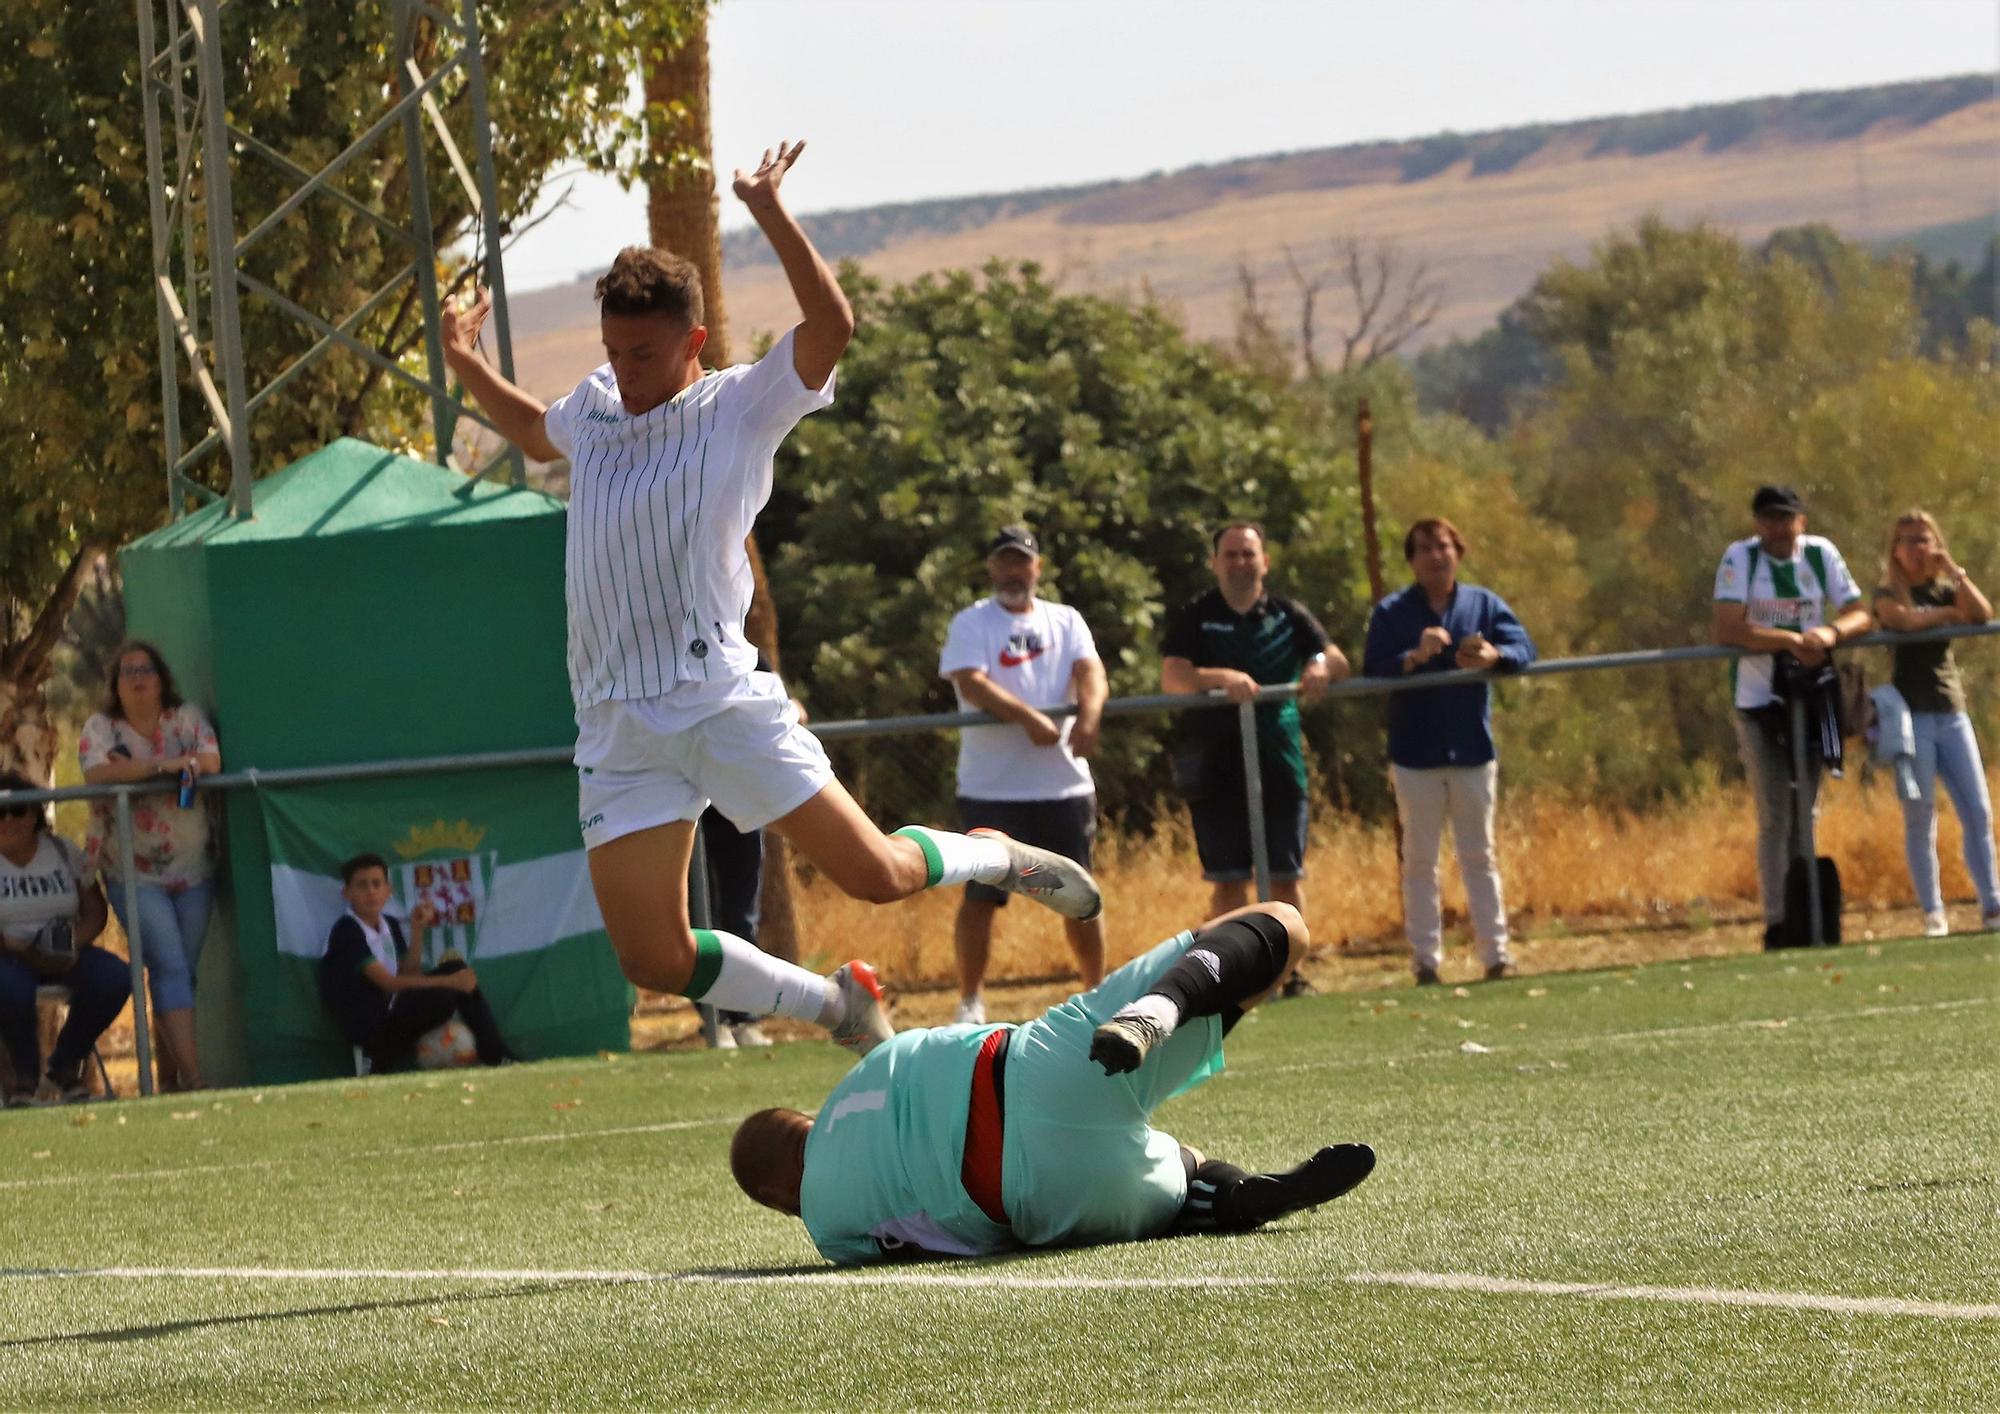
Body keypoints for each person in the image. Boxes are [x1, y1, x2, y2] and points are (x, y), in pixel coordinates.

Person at [438, 140, 1099, 1058]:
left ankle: (992, 852)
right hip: (615, 723)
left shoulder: (739, 407)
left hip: (718, 705)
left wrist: (767, 209)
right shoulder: (593, 406)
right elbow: (530, 431)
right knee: (654, 956)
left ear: (694, 344)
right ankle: (837, 1006)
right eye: (612, 351)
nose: (623, 369)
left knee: (878, 875)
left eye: (642, 353)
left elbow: (833, 324)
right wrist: (461, 358)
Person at [730, 902, 1376, 1264]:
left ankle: (1221, 1195)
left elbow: (913, 1250)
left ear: (774, 1190)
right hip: (1038, 1064)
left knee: (1178, 1172)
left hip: (1031, 1194)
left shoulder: (827, 1223)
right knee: (1281, 925)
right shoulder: (863, 1078)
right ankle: (1169, 1001)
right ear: (805, 1120)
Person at [941, 526, 1109, 1025]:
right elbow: (971, 682)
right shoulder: (973, 622)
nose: (1015, 571)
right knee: (980, 896)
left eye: (1023, 561)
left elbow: (1090, 671)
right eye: (1005, 561)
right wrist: (1028, 717)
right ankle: (970, 1001)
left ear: (1038, 567)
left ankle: (1097, 993)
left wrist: (1091, 716)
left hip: (1063, 785)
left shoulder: (1066, 619)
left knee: (1080, 893)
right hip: (992, 788)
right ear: (992, 567)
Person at [1362, 518, 1537, 985]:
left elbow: (1524, 647)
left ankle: (1496, 956)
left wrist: (1495, 657)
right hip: (1415, 755)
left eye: (1443, 546)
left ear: (1458, 551)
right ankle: (1425, 962)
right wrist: (1413, 658)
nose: (1436, 556)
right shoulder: (1393, 612)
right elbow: (1372, 666)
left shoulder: (1483, 603)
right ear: (1412, 560)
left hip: (1472, 751)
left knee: (1479, 855)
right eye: (1424, 549)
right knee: (1419, 860)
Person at [1710, 485, 1871, 949]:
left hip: (1812, 698)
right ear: (1757, 523)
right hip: (1758, 700)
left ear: (1801, 520)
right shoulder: (1741, 559)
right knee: (1774, 814)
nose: (1778, 528)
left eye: (1786, 518)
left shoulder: (1820, 554)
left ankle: (1810, 917)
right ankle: (1778, 920)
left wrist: (1829, 632)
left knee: (1808, 811)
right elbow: (1726, 627)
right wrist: (1789, 641)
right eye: (1768, 519)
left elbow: (1860, 614)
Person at [1161, 523, 1346, 918]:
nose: (1240, 563)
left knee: (1285, 878)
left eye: (1248, 554)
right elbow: (1173, 678)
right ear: (1214, 563)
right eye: (1231, 555)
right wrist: (1218, 678)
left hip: (1279, 763)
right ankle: (1232, 973)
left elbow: (1336, 659)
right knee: (1228, 883)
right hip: (1216, 769)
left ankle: (1290, 973)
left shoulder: (1288, 614)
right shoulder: (1197, 615)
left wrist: (1318, 666)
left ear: (1265, 561)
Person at [78, 639, 220, 1091]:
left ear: (162, 678)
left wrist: (141, 768)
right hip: (131, 871)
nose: (138, 678)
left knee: (179, 972)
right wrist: (166, 766)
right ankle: (195, 1079)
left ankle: (169, 1077)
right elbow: (97, 773)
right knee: (170, 966)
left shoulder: (187, 718)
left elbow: (212, 761)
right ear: (115, 684)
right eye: (127, 671)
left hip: (194, 865)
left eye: (146, 669)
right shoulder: (101, 727)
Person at [1871, 511, 1999, 937]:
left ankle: (1992, 904)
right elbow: (1902, 620)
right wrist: (1946, 616)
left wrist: (1956, 574)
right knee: (1920, 814)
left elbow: (1980, 614)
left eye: (1923, 539)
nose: (1915, 548)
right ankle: (1933, 912)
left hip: (1951, 710)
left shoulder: (1945, 587)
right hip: (1912, 716)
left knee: (1978, 811)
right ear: (1895, 549)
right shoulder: (1889, 590)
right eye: (1906, 541)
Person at [0, 772, 131, 1105]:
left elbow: (94, 910)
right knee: (10, 987)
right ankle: (23, 1078)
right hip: (9, 953)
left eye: (17, 811)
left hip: (61, 951)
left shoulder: (60, 851)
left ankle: (66, 1061)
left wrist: (72, 942)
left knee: (113, 977)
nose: (7, 821)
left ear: (34, 815)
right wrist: (17, 947)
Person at [318, 853, 515, 1072]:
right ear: (347, 893)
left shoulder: (389, 924)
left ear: (388, 890)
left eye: (377, 884)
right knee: (446, 991)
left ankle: (496, 1054)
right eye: (362, 885)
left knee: (457, 969)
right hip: (370, 1027)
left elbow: (409, 974)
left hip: (393, 1013)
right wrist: (449, 982)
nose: (371, 891)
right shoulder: (346, 931)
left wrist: (417, 929)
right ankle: (375, 1057)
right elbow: (389, 984)